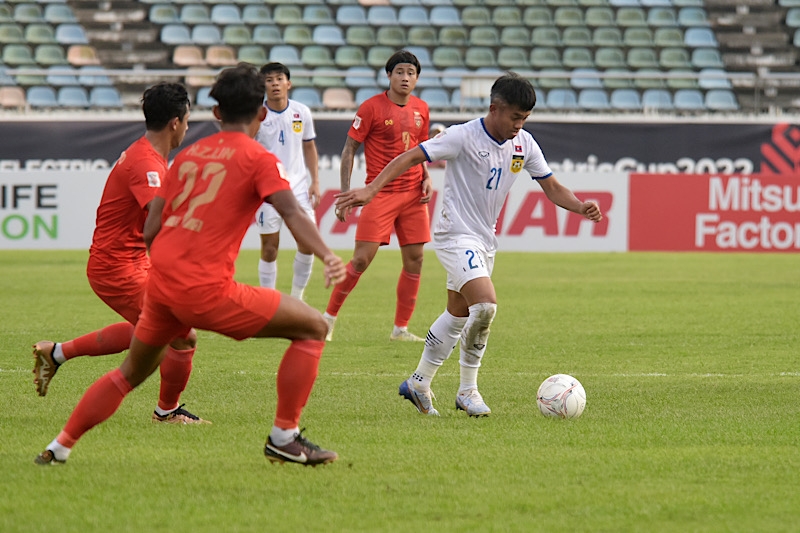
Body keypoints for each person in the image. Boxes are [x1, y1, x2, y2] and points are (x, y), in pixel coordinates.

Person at [34, 63, 346, 467]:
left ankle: (59, 447)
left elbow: (150, 229)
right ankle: (283, 437)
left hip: (163, 286)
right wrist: (326, 254)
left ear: (215, 113)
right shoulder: (259, 158)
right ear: (261, 113)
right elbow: (293, 212)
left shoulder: (187, 157)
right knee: (313, 328)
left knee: (129, 373)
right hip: (205, 290)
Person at [335, 73, 603, 417]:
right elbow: (409, 158)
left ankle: (418, 382)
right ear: (495, 108)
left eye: (525, 119)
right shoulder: (462, 136)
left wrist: (580, 206)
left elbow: (552, 187)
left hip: (484, 239)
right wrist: (371, 189)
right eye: (515, 117)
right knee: (486, 306)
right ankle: (468, 390)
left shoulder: (524, 144)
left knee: (458, 313)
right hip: (454, 235)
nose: (519, 125)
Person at [31, 82, 208, 424]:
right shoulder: (148, 166)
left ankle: (56, 352)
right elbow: (160, 224)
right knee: (181, 335)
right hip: (116, 268)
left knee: (150, 331)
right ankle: (167, 412)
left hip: (129, 261)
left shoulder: (148, 156)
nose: (187, 126)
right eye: (187, 119)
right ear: (175, 122)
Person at [324, 50, 433, 342]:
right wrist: (346, 190)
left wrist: (426, 177)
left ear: (417, 78)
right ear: (389, 76)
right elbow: (349, 150)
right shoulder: (371, 107)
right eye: (400, 72)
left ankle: (400, 329)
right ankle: (328, 320)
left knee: (416, 259)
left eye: (411, 73)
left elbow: (420, 151)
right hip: (380, 194)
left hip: (412, 195)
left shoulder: (422, 108)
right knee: (360, 260)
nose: (405, 77)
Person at [254, 62, 320, 301]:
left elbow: (309, 146)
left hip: (299, 190)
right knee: (270, 248)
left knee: (308, 243)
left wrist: (315, 182)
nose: (274, 84)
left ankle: (296, 299)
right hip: (267, 192)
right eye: (269, 80)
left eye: (279, 79)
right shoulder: (257, 115)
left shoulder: (301, 112)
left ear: (288, 83)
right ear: (264, 85)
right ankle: (268, 302)